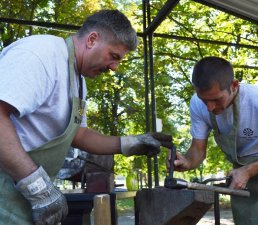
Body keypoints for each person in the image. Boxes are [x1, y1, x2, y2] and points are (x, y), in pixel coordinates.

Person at [0, 10, 172, 225]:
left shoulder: (78, 82)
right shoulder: (41, 55)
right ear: (92, 40)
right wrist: (38, 188)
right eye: (114, 56)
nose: (115, 67)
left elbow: (79, 134)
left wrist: (130, 143)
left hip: (20, 198)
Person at [172, 56, 258, 225]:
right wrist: (187, 161)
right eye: (205, 100)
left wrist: (248, 171)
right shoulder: (197, 104)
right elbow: (198, 150)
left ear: (233, 85)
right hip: (239, 178)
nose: (210, 107)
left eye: (216, 99)